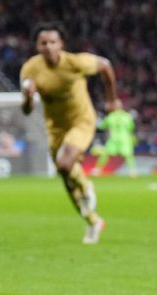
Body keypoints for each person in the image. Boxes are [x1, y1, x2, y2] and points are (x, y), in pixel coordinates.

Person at [20, 21, 121, 244]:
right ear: (37, 46)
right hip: (55, 128)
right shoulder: (30, 69)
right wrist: (28, 97)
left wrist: (112, 99)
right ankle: (93, 222)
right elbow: (26, 111)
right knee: (65, 177)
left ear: (61, 44)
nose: (48, 46)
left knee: (65, 164)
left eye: (52, 42)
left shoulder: (75, 62)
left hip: (81, 121)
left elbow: (105, 66)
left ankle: (86, 185)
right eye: (43, 43)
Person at [91, 104, 137, 177]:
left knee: (105, 154)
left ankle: (97, 170)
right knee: (128, 155)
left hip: (113, 138)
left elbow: (102, 126)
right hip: (124, 138)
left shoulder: (111, 116)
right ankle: (132, 171)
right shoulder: (127, 116)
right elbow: (131, 128)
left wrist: (96, 120)